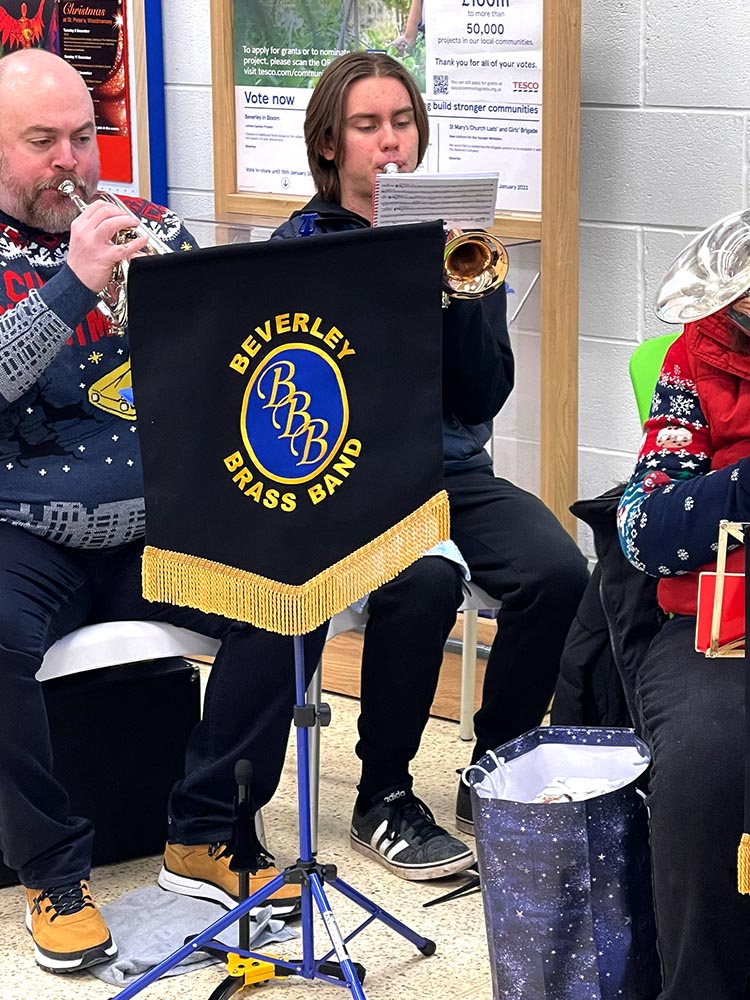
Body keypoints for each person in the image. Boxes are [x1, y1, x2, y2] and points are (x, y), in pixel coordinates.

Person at [0, 48, 328, 975]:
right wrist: (70, 285)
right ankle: (52, 872)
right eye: (41, 143)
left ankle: (206, 830)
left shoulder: (149, 225)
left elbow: (227, 370)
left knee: (289, 592)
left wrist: (174, 307)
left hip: (155, 520)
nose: (71, 161)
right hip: (23, 524)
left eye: (82, 136)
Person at [272, 51, 590, 882]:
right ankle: (382, 795)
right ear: (330, 143)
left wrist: (461, 297)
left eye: (403, 123)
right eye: (368, 126)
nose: (391, 145)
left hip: (449, 469)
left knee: (557, 571)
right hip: (344, 477)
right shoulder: (299, 247)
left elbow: (483, 394)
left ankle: (496, 768)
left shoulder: (461, 243)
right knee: (421, 583)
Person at [617, 300, 750, 999]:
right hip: (723, 628)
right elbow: (642, 533)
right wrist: (741, 483)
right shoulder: (698, 355)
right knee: (708, 766)